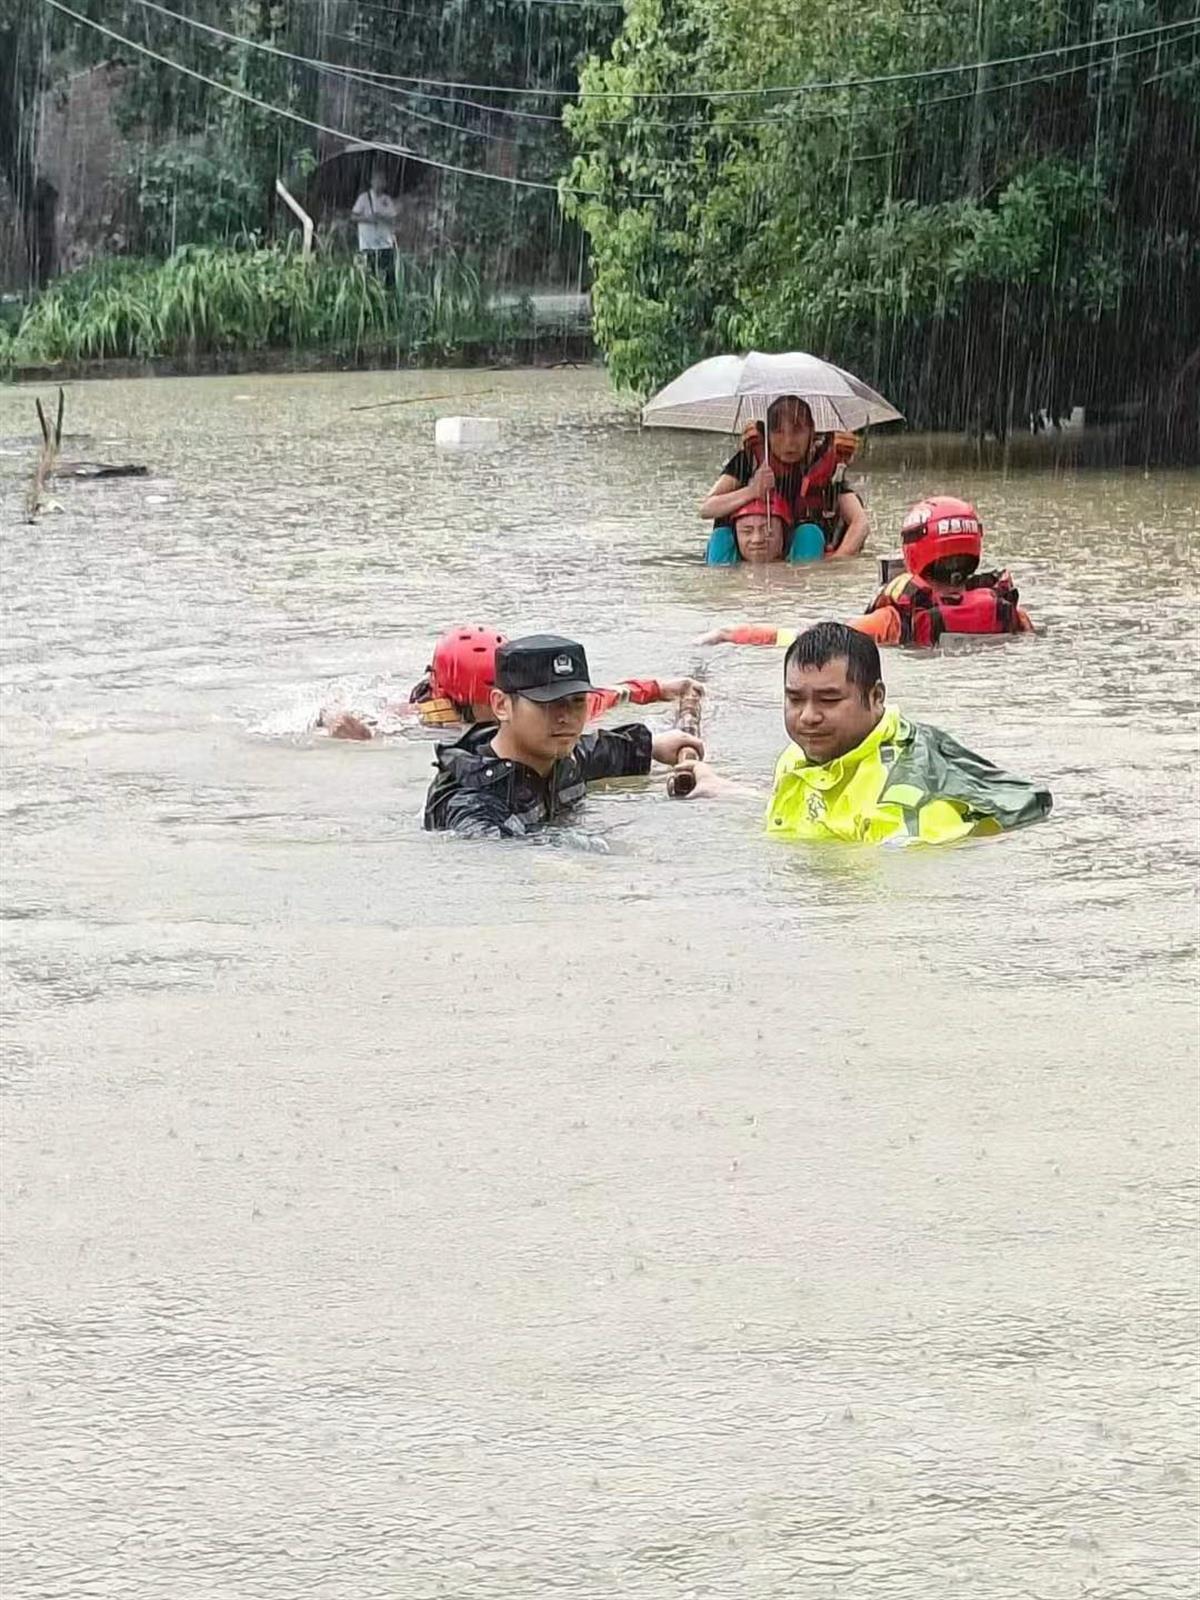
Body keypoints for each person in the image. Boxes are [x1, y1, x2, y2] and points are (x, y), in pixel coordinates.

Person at [743, 621, 1051, 844]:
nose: (808, 716)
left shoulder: (903, 801)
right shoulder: (803, 754)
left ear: (876, 697)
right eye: (795, 699)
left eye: (830, 700)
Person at [424, 634, 703, 838]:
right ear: (501, 705)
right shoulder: (471, 804)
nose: (566, 717)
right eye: (548, 703)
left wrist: (652, 746)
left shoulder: (557, 755)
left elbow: (596, 750)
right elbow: (497, 864)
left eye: (577, 701)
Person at [697, 495, 1035, 648]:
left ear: (912, 548)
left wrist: (733, 634)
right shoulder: (1010, 613)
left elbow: (812, 639)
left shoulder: (895, 618)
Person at [317, 624, 702, 740]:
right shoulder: (419, 719)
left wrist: (657, 688)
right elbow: (344, 719)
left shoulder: (535, 703)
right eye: (496, 696)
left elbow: (604, 695)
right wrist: (344, 727)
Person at [699, 396, 870, 558]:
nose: (789, 442)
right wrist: (752, 491)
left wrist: (836, 562)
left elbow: (860, 522)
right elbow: (706, 509)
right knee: (720, 538)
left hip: (801, 549)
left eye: (797, 430)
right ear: (766, 435)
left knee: (809, 534)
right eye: (778, 431)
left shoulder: (824, 465)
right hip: (751, 547)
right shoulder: (749, 460)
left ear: (811, 432)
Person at [351, 168, 399, 288]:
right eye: (377, 180)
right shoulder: (364, 198)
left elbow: (394, 219)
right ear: (372, 182)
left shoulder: (387, 200)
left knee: (389, 275)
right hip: (368, 244)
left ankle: (388, 299)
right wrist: (369, 219)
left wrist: (382, 217)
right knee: (371, 275)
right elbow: (353, 217)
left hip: (385, 243)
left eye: (382, 180)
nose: (380, 182)